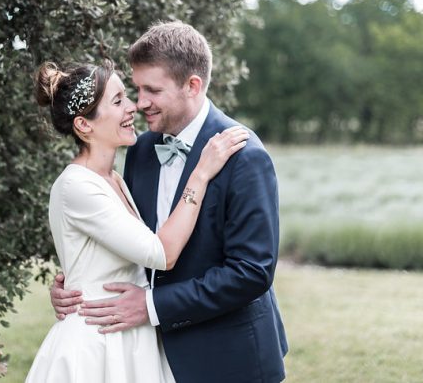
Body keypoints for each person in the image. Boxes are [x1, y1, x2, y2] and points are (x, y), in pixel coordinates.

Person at [51, 21, 289, 383]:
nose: (140, 102)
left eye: (152, 90)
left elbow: (251, 272)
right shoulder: (141, 149)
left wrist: (150, 307)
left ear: (192, 85)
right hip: (146, 356)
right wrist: (78, 283)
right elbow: (132, 240)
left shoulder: (244, 156)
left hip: (228, 357)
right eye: (136, 89)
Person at [26, 59, 249, 383]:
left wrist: (76, 276)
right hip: (96, 344)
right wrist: (200, 173)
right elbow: (163, 253)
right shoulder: (77, 186)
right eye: (118, 101)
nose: (134, 107)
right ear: (84, 125)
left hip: (131, 336)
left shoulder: (113, 177)